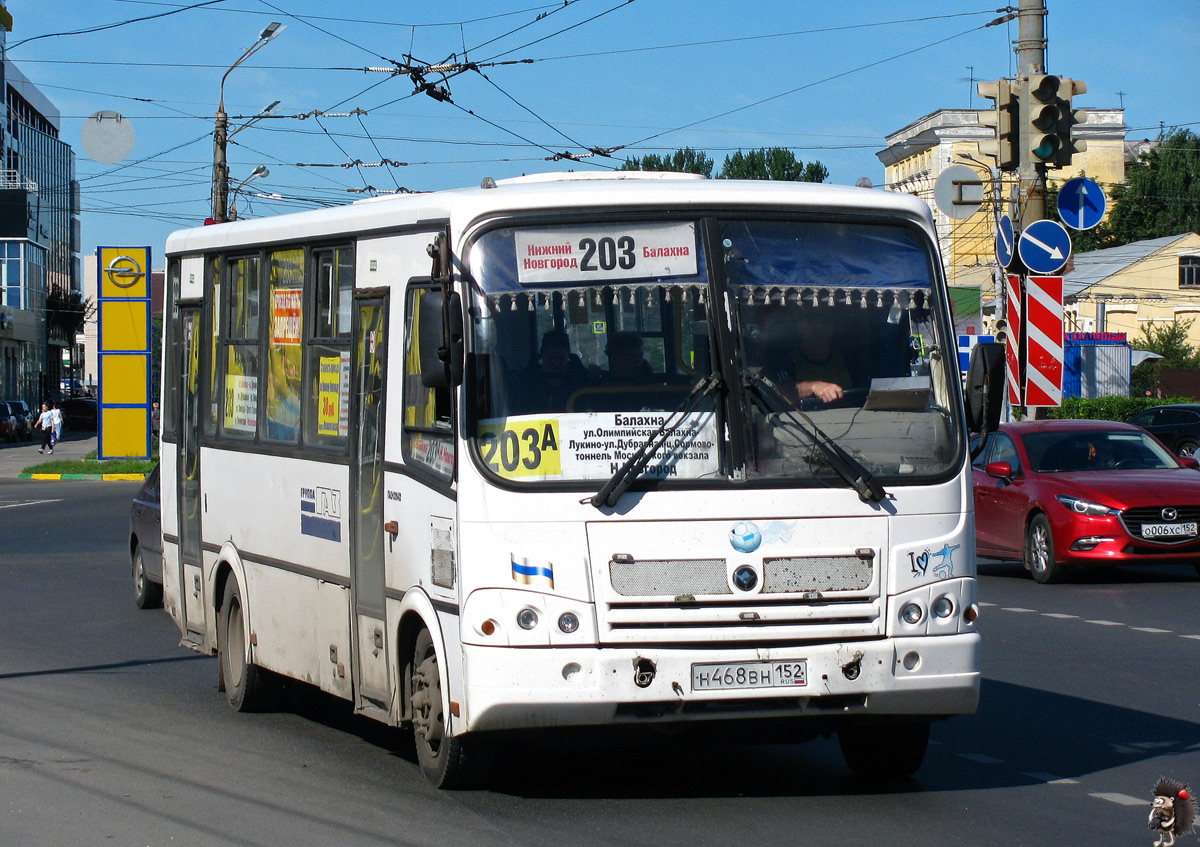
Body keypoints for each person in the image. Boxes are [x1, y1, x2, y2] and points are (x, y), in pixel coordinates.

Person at [514, 330, 589, 412]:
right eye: (551, 358)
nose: (556, 363)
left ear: (568, 355)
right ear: (542, 355)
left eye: (561, 358)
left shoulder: (579, 379)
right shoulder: (527, 381)